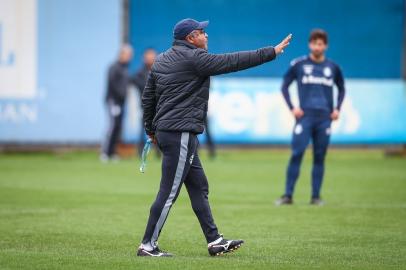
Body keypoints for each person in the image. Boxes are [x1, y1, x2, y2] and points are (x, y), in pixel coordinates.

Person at [137, 18, 292, 257]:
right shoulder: (195, 58)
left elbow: (148, 99)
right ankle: (147, 245)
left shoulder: (161, 59)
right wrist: (271, 52)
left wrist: (150, 129)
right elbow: (232, 61)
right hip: (181, 134)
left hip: (170, 133)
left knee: (199, 186)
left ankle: (215, 241)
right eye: (202, 32)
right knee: (168, 192)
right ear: (190, 38)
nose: (206, 35)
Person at [276, 29, 345, 206]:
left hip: (324, 118)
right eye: (314, 43)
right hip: (305, 117)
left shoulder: (333, 68)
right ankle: (288, 195)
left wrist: (337, 108)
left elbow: (342, 88)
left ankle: (315, 196)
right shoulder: (299, 64)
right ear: (310, 44)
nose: (317, 46)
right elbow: (284, 86)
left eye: (320, 43)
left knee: (319, 155)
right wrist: (293, 108)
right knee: (297, 153)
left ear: (325, 46)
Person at [100, 44, 133, 162]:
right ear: (122, 54)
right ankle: (105, 153)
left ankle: (112, 152)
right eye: (128, 55)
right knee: (112, 126)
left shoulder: (124, 68)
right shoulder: (114, 67)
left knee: (118, 127)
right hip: (113, 102)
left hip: (121, 102)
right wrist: (119, 97)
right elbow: (113, 85)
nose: (129, 57)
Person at [131, 48, 158, 157]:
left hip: (158, 107)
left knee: (159, 131)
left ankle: (159, 153)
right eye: (148, 56)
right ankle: (140, 152)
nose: (150, 58)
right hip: (145, 107)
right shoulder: (139, 73)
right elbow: (140, 86)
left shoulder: (159, 70)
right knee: (143, 130)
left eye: (152, 56)